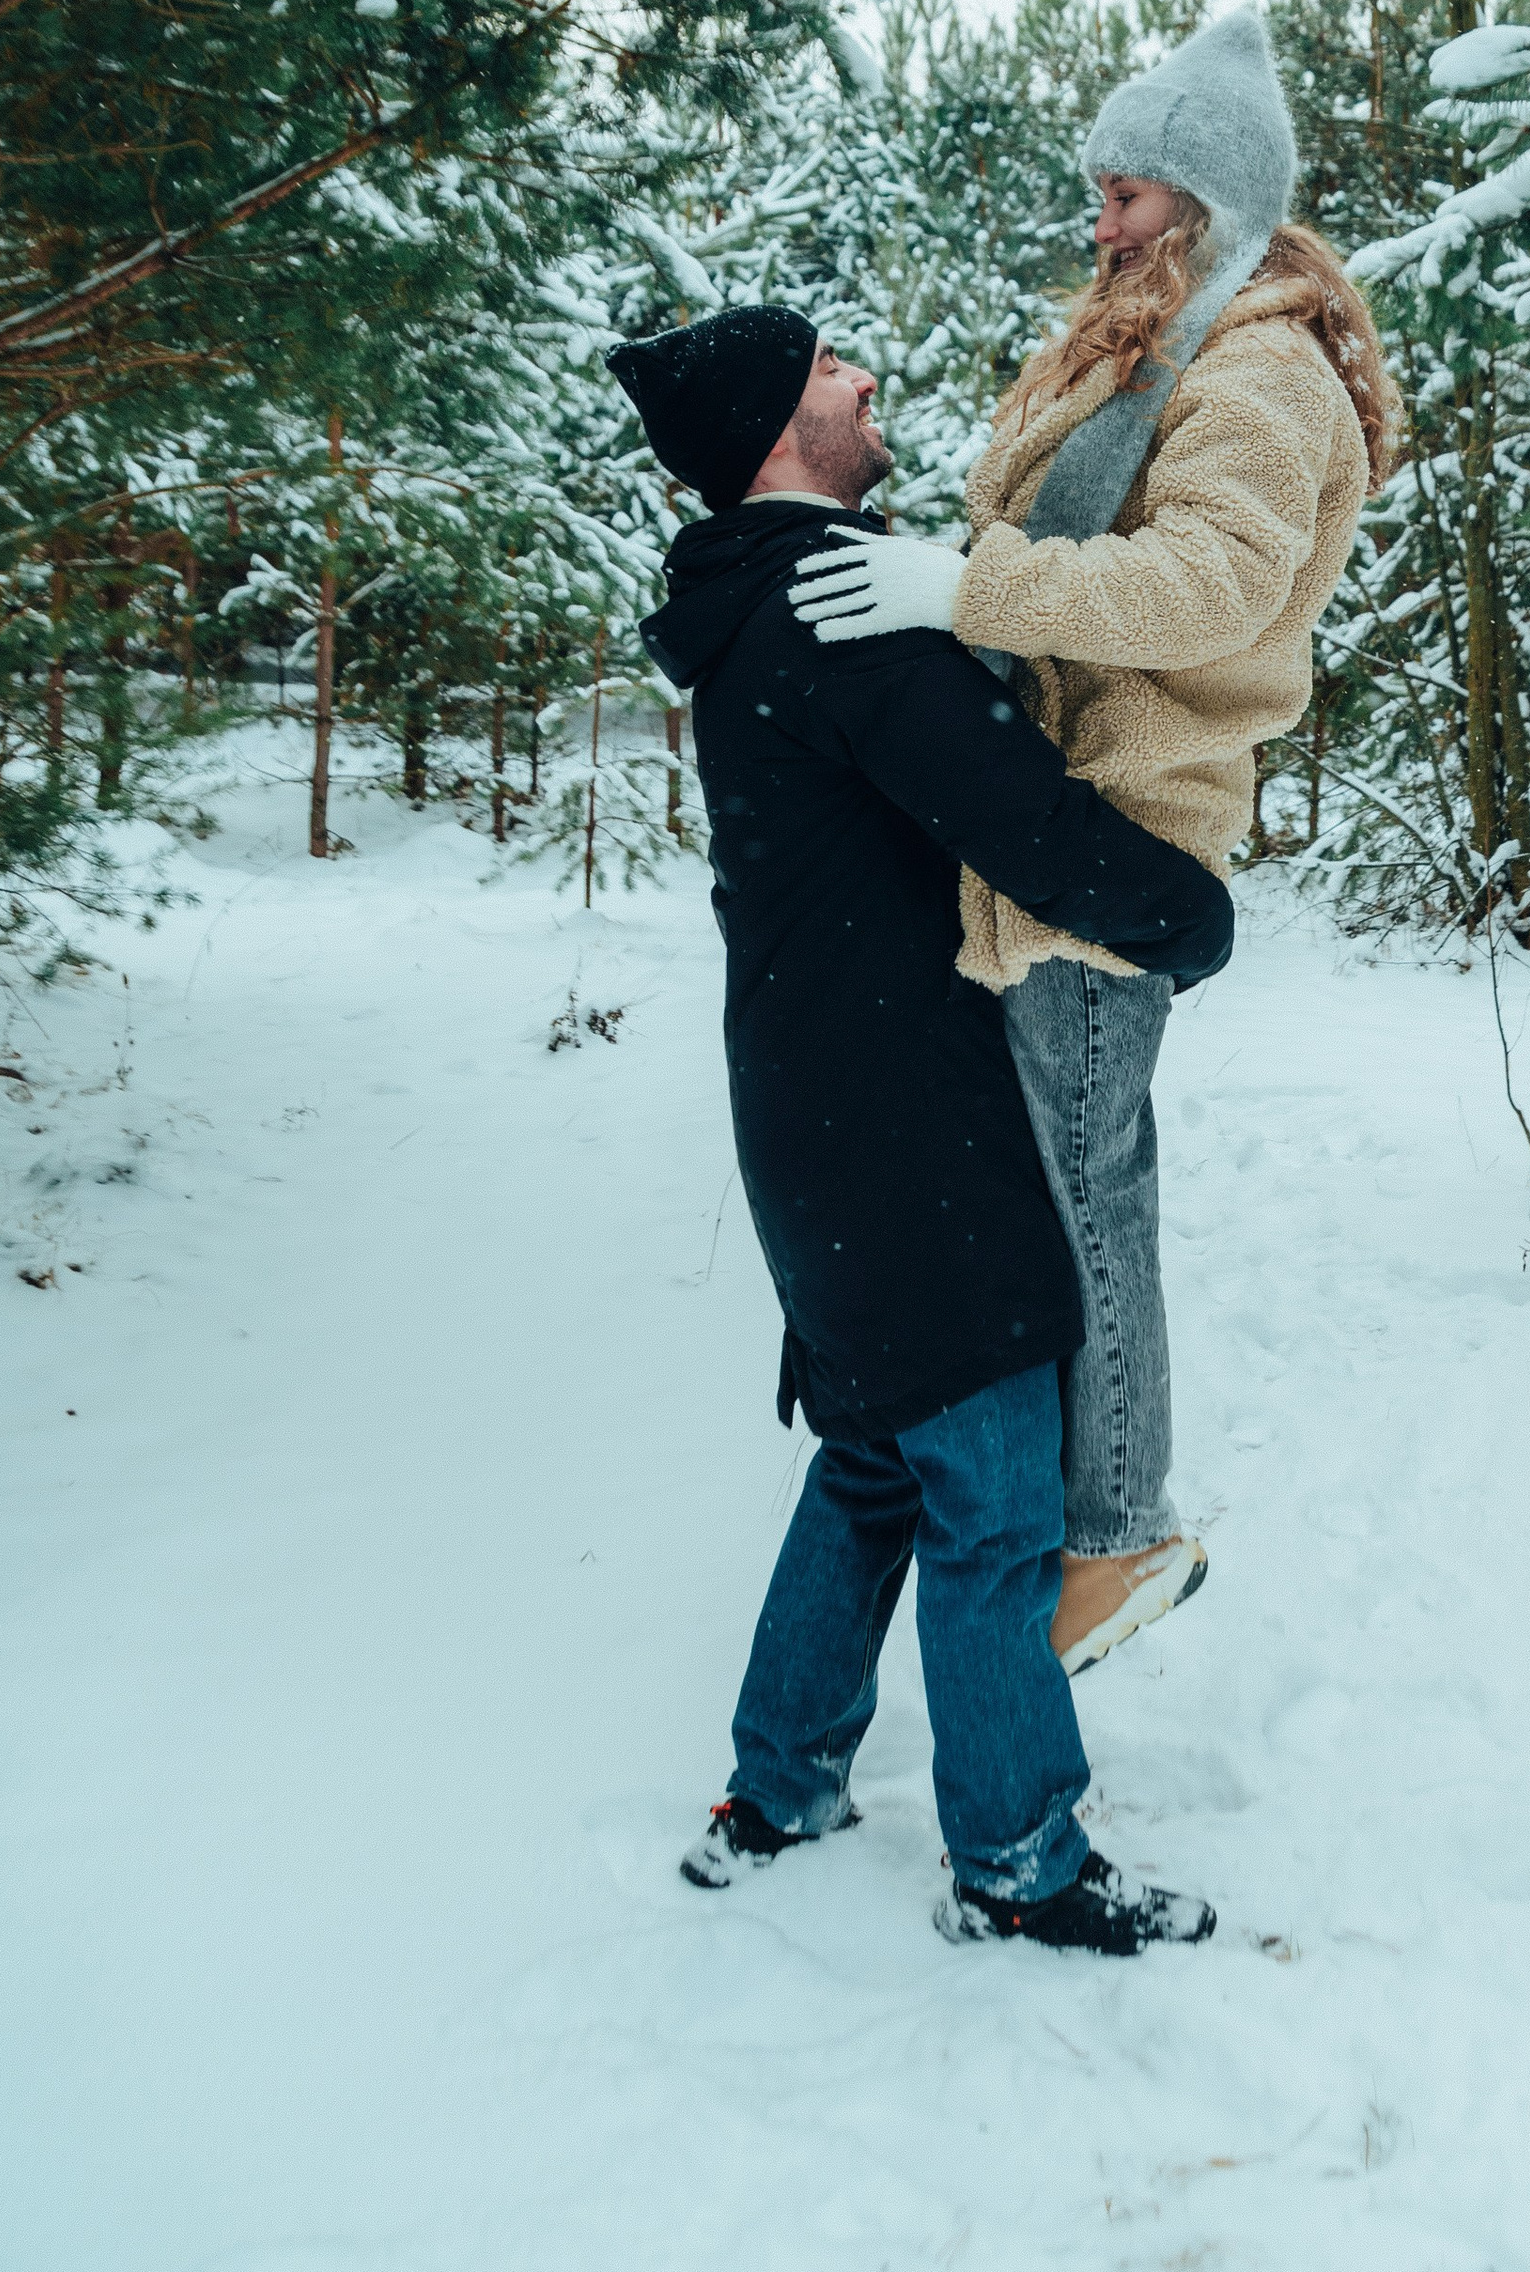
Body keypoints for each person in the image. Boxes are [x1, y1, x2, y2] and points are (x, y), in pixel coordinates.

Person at [611, 298, 1234, 1956]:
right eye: (824, 369)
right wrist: (1184, 916)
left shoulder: (752, 604)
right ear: (771, 426)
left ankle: (780, 1779)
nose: (861, 375)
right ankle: (1020, 1857)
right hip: (900, 1118)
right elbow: (1012, 812)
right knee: (992, 1495)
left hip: (808, 1109)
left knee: (879, 1451)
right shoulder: (831, 609)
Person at [791, 9, 1397, 1675]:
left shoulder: (1261, 365)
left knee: (1085, 1197)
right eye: (1105, 189)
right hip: (1032, 817)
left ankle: (1118, 1534)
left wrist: (961, 588)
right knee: (1046, 1189)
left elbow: (1207, 585)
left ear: (1203, 204)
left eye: (1129, 193)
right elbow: (1023, 529)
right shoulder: (1142, 348)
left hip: (1113, 831)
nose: (1103, 220)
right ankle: (1068, 1513)